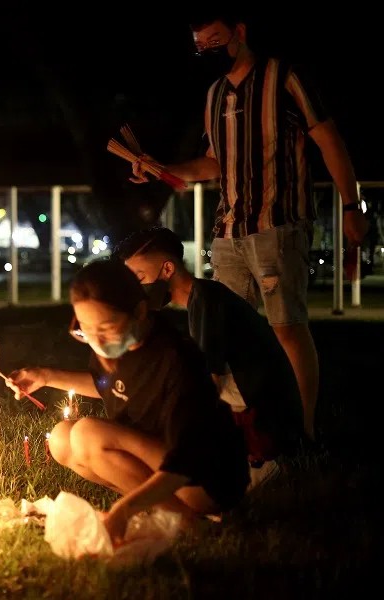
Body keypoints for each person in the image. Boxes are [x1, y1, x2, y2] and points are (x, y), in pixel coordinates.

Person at [131, 14, 368, 439]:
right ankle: (243, 426)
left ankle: (303, 429)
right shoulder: (215, 95)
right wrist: (160, 169)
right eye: (201, 46)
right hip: (228, 230)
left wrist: (352, 205)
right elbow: (212, 164)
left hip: (278, 223)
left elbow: (329, 139)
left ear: (240, 33)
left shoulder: (285, 78)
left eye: (216, 40)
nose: (209, 52)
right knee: (224, 332)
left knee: (287, 329)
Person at [8, 260, 248, 540]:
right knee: (62, 438)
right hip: (165, 460)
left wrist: (123, 510)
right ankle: (164, 508)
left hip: (206, 477)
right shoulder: (117, 346)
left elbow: (186, 460)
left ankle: (187, 521)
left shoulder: (176, 359)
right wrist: (45, 376)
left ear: (139, 311)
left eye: (106, 328)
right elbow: (112, 386)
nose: (97, 340)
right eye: (85, 328)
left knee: (87, 434)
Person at [115, 227, 302, 487]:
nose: (137, 290)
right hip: (265, 418)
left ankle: (256, 466)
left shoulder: (206, 300)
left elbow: (207, 384)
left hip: (265, 427)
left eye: (140, 277)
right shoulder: (201, 298)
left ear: (167, 270)